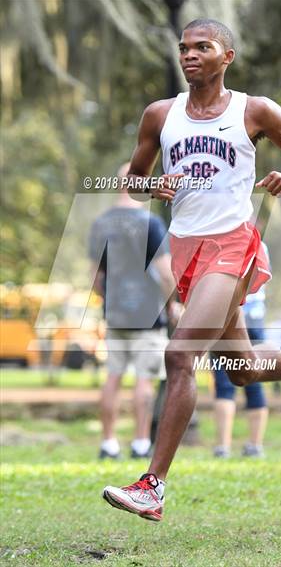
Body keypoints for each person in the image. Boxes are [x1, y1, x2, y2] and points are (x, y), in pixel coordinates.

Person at [103, 18, 281, 522]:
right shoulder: (160, 115)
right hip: (186, 250)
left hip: (233, 244)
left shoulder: (254, 110)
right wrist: (152, 186)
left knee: (180, 356)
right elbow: (130, 174)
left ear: (227, 57)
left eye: (203, 47)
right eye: (184, 48)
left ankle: (152, 486)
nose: (189, 55)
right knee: (240, 370)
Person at [89, 163, 176, 459]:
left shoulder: (101, 223)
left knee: (113, 377)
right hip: (148, 315)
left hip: (115, 314)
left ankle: (108, 442)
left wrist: (109, 300)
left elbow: (95, 277)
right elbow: (165, 274)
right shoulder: (150, 223)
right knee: (144, 379)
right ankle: (140, 443)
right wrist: (173, 304)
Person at [213, 241, 269, 459]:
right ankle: (255, 446)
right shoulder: (261, 246)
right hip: (256, 320)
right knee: (255, 382)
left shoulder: (222, 243)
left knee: (224, 383)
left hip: (230, 318)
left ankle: (222, 447)